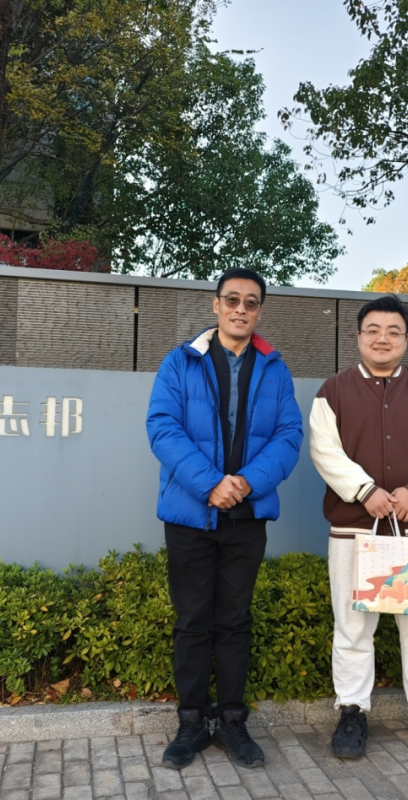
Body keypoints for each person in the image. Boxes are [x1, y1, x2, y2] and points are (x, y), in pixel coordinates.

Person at [146, 268, 303, 770]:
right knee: (192, 621)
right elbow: (162, 428)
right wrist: (210, 483)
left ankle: (233, 721)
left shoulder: (274, 368)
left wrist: (247, 483)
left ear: (259, 311)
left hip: (247, 516)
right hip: (190, 515)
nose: (241, 308)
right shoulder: (180, 361)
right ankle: (191, 723)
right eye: (232, 299)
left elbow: (289, 436)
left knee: (235, 622)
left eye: (251, 302)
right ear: (215, 305)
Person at [310, 294, 408, 760]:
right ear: (359, 336)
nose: (383, 338)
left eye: (393, 331)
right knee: (353, 627)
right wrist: (364, 491)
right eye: (373, 330)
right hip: (356, 531)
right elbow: (324, 450)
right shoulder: (333, 391)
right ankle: (352, 710)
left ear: (406, 339)